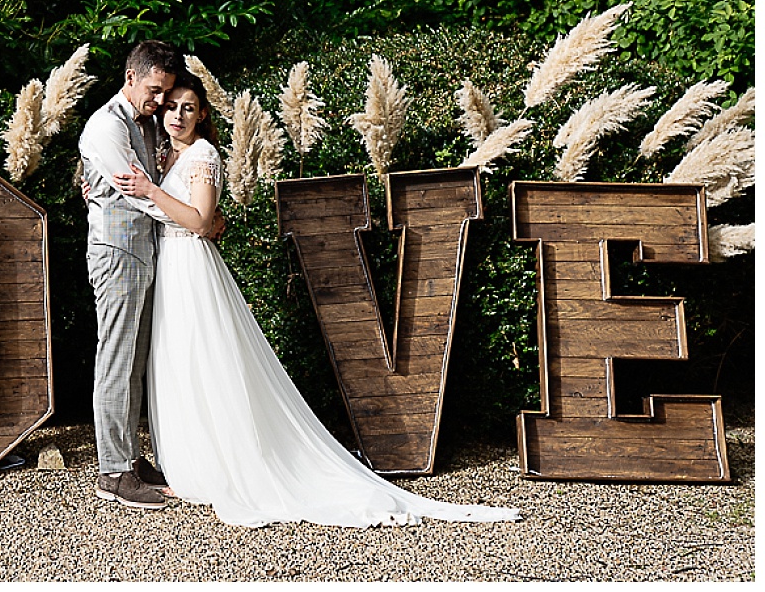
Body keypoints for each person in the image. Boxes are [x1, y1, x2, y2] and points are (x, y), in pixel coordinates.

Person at [112, 72, 522, 528]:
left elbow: (200, 220)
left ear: (203, 113)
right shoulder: (170, 154)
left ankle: (225, 467)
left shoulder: (204, 154)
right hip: (169, 266)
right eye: (171, 107)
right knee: (179, 364)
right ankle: (194, 465)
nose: (177, 115)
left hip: (190, 266)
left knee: (206, 361)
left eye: (188, 107)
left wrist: (151, 192)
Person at [77, 40, 183, 510]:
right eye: (155, 90)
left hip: (143, 251)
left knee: (136, 360)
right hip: (116, 251)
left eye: (166, 93)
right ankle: (112, 472)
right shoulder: (105, 125)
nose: (160, 102)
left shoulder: (147, 124)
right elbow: (138, 193)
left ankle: (131, 458)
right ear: (131, 78)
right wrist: (191, 218)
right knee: (116, 358)